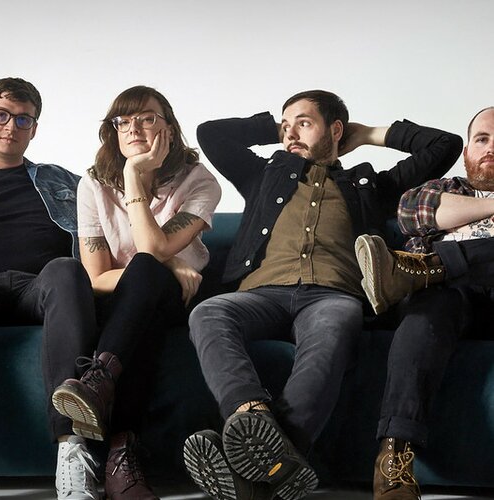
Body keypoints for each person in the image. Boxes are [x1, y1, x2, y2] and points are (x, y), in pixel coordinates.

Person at [182, 90, 463, 500]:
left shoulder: (370, 185)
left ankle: (258, 473)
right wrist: (280, 129)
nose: (290, 133)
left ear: (335, 130)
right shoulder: (263, 175)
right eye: (285, 125)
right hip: (260, 294)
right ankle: (251, 416)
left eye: (303, 123)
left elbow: (446, 144)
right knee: (207, 313)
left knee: (336, 324)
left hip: (331, 297)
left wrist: (366, 134)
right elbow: (211, 133)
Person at [51, 85, 221, 499]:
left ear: (169, 128)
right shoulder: (93, 184)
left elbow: (152, 248)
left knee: (147, 273)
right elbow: (95, 278)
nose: (133, 128)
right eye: (123, 121)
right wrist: (168, 261)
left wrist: (132, 176)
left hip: (177, 300)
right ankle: (121, 455)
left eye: (147, 118)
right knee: (142, 306)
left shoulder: (199, 181)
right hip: (120, 300)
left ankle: (98, 380)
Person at [354, 106, 494, 499]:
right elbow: (415, 214)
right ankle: (394, 458)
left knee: (427, 286)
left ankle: (421, 268)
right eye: (482, 139)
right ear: (467, 151)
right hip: (445, 296)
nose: (490, 148)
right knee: (424, 316)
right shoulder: (441, 187)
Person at [0, 77, 102, 499]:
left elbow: (116, 215)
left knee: (66, 270)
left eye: (23, 119)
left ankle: (71, 448)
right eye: (0, 115)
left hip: (39, 288)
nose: (11, 126)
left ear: (34, 129)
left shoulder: (60, 180)